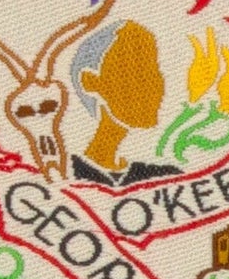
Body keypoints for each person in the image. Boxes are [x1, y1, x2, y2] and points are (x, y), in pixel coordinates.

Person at [68, 19, 170, 186]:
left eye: (153, 67)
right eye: (129, 71)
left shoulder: (164, 176)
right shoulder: (67, 174)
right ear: (90, 82)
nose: (151, 83)